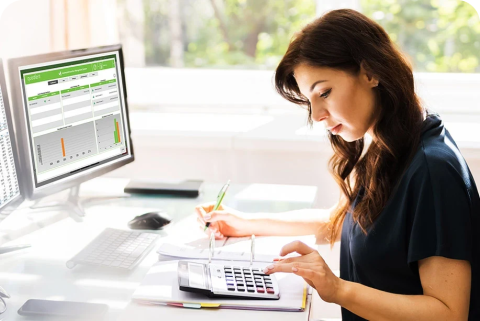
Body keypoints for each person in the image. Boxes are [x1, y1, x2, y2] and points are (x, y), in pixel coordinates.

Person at [196, 9, 479, 321]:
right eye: (309, 100)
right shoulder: (387, 142)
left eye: (325, 93)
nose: (317, 115)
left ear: (371, 72)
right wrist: (246, 224)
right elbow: (346, 221)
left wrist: (337, 289)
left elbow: (449, 313)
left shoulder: (432, 171)